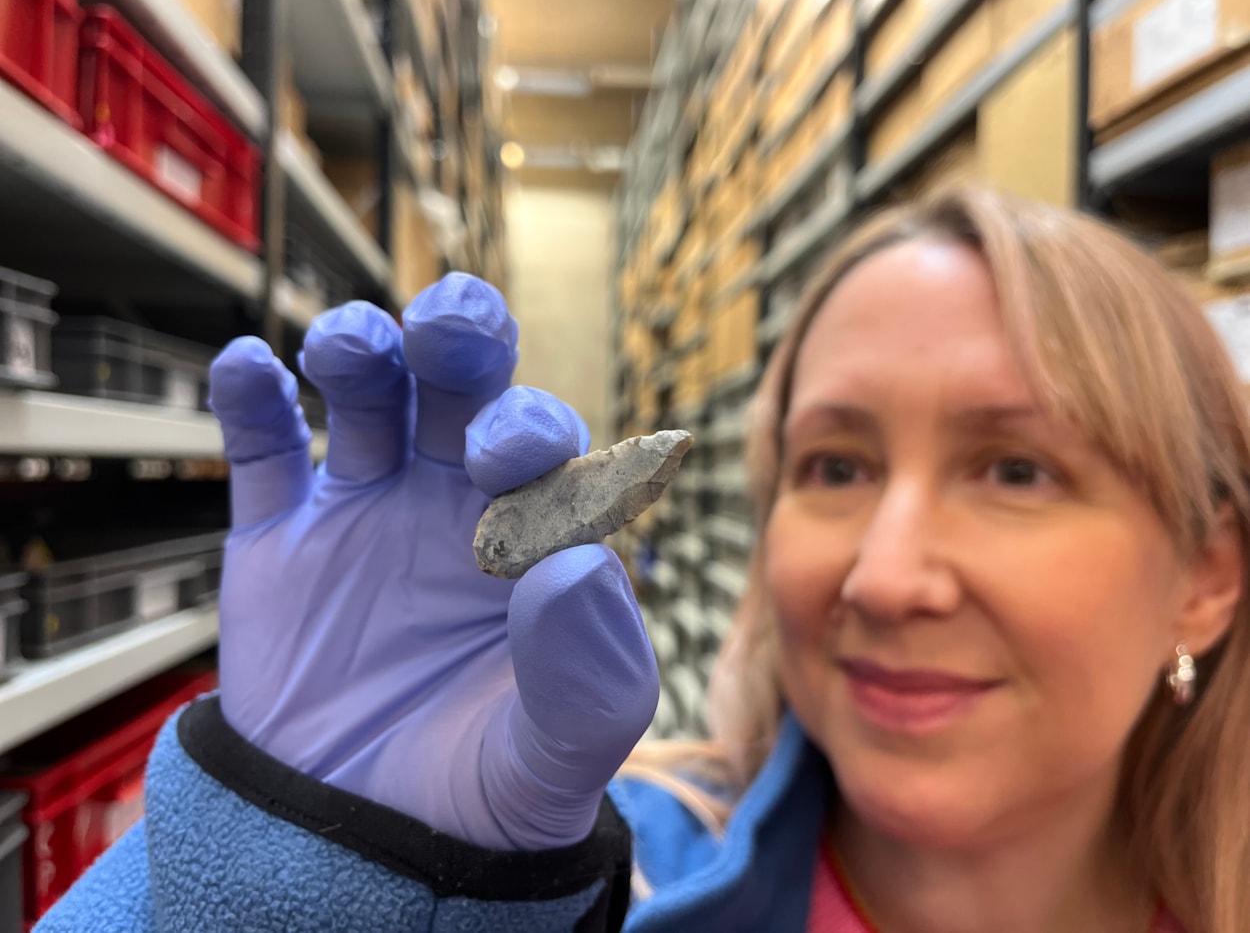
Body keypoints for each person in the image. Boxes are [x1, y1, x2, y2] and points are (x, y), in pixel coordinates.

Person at [33, 187, 1250, 932]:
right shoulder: (575, 885)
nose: (883, 577)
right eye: (833, 464)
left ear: (1205, 572)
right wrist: (296, 868)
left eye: (1015, 469)